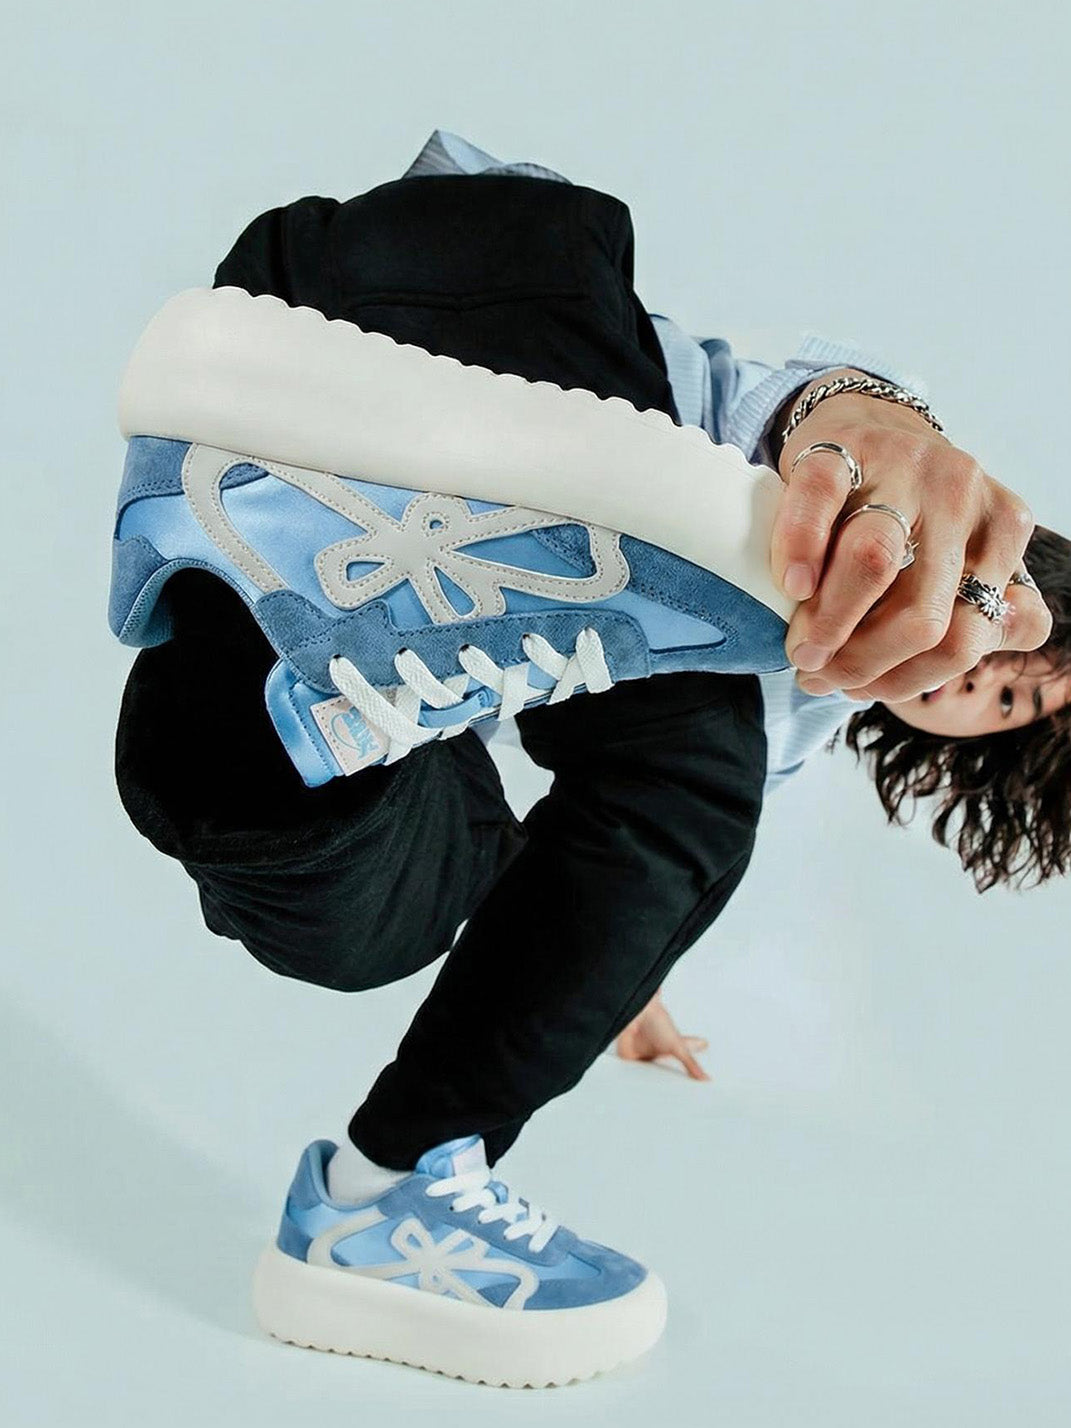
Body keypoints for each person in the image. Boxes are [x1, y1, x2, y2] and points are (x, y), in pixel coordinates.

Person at [108, 129, 1062, 1387]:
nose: (981, 680)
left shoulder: (779, 732)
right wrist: (868, 417)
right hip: (496, 291)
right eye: (1014, 652)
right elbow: (805, 401)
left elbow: (615, 867)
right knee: (701, 770)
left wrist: (598, 968)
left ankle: (261, 642)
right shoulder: (855, 535)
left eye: (1006, 709)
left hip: (303, 466)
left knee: (396, 905)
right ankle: (384, 1196)